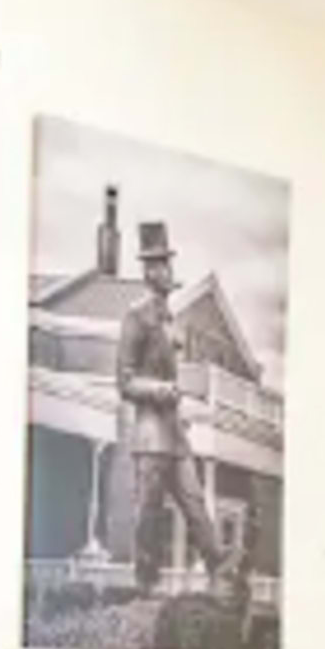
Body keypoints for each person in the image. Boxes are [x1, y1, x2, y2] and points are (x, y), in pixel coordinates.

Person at [113, 223, 231, 592]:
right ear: (149, 272)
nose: (168, 271)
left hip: (175, 435)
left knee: (195, 503)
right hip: (150, 436)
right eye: (161, 264)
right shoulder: (137, 315)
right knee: (148, 515)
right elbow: (125, 381)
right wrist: (163, 390)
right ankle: (144, 584)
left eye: (168, 263)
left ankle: (219, 569)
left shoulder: (168, 317)